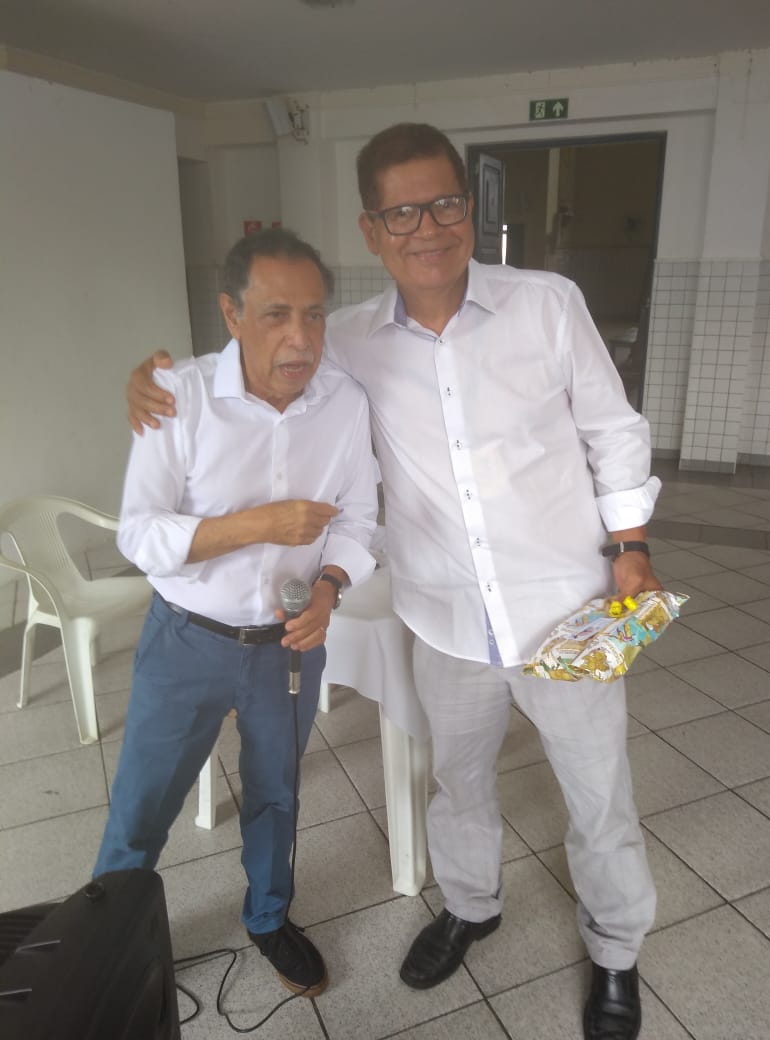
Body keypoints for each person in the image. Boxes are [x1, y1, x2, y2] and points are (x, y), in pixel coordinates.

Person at [126, 124, 663, 1040]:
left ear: (469, 207)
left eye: (445, 203)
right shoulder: (347, 341)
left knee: (599, 793)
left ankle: (616, 951)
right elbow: (263, 353)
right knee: (458, 781)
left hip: (568, 605)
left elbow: (613, 429)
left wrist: (631, 542)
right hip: (445, 617)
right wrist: (150, 382)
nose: (428, 227)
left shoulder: (547, 304)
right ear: (372, 231)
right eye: (402, 213)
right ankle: (471, 905)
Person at [97, 228, 377, 999]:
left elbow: (359, 517)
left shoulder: (344, 402)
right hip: (187, 639)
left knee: (276, 793)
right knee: (143, 802)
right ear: (231, 313)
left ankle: (268, 917)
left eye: (314, 315)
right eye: (276, 314)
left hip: (288, 643)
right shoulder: (177, 397)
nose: (300, 338)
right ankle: (108, 942)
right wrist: (257, 525)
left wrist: (330, 587)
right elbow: (139, 534)